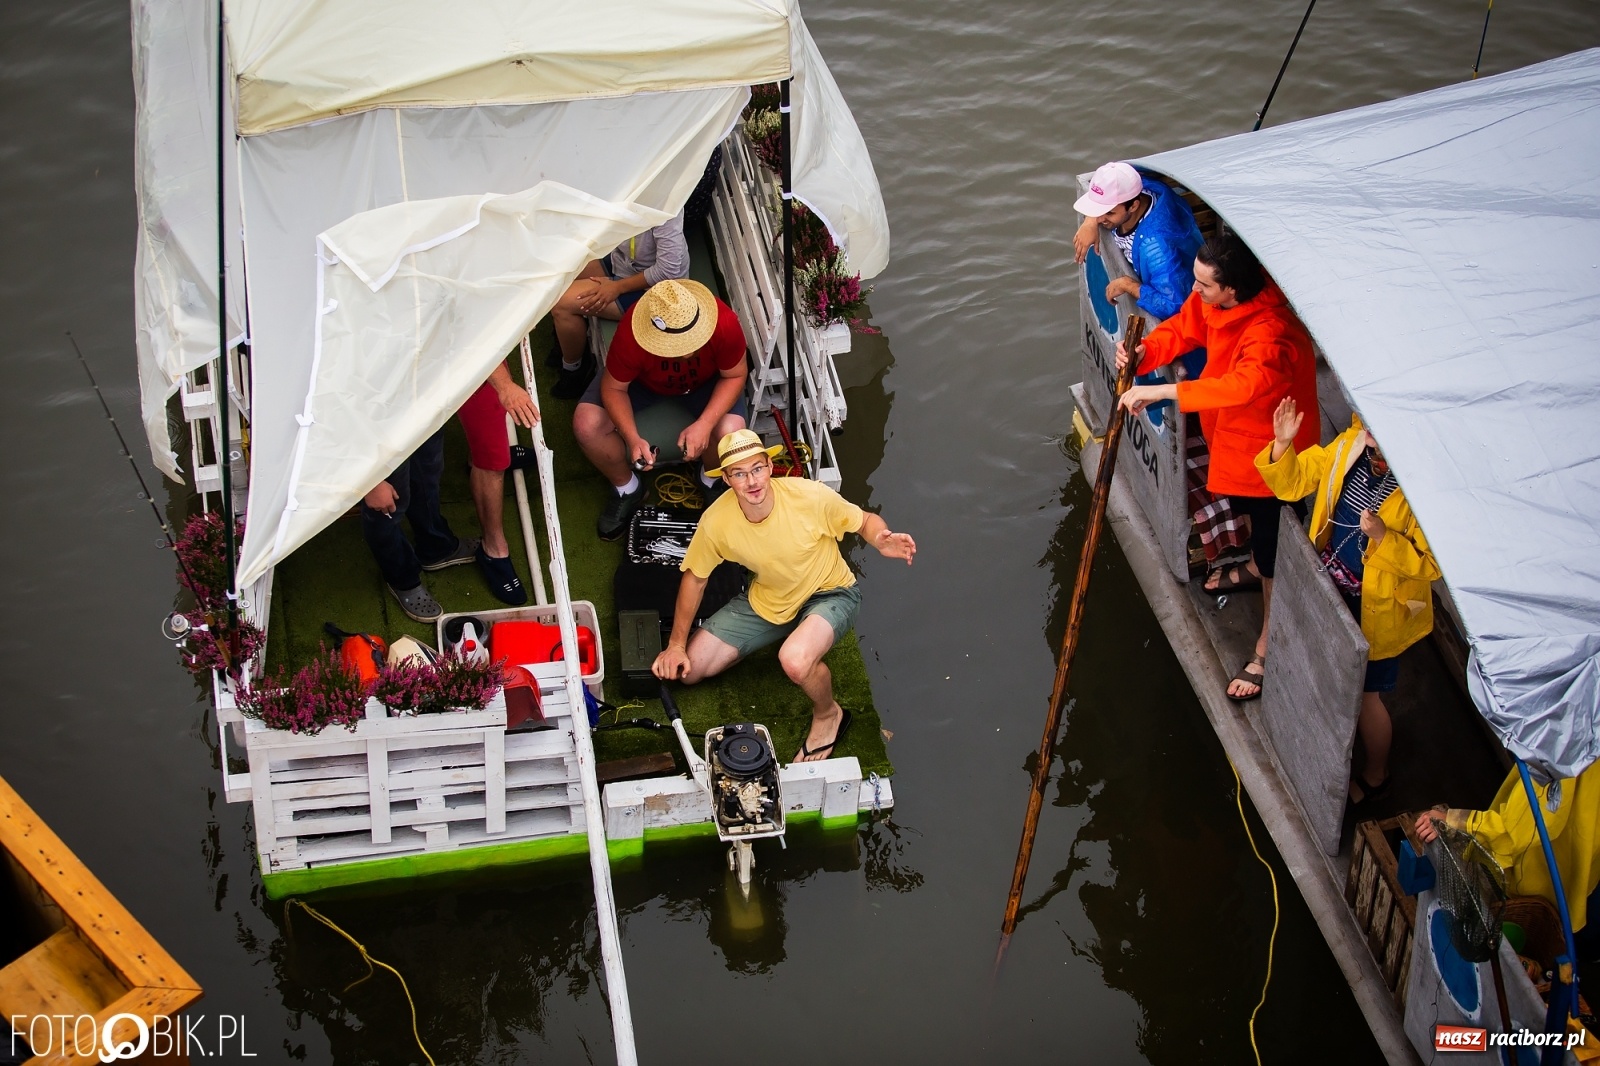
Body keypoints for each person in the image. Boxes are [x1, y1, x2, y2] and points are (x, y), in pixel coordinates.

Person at [1116, 233, 1319, 701]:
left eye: (1204, 284)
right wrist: (1148, 351)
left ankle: (1268, 639)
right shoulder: (1211, 301)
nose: (1195, 290)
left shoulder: (1271, 331)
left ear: (1232, 290)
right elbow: (1184, 326)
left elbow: (1242, 385)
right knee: (1250, 519)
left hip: (1273, 458)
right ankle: (1252, 565)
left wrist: (1163, 391)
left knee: (1274, 542)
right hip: (1231, 439)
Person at [652, 430, 917, 762]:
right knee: (690, 671)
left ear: (769, 466)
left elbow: (864, 520)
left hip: (830, 592)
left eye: (757, 468)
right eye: (739, 473)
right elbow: (695, 579)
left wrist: (880, 538)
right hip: (769, 599)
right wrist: (676, 644)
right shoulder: (716, 521)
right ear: (727, 479)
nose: (752, 481)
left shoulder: (810, 497)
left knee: (794, 660)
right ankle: (775, 638)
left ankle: (829, 714)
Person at [1256, 398, 1439, 804]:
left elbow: (1431, 565)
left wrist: (1382, 538)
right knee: (1324, 675)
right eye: (1371, 428)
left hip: (1377, 609)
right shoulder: (1351, 444)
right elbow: (1294, 482)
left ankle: (1378, 774)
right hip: (1331, 588)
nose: (1371, 438)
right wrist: (1282, 445)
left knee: (1368, 699)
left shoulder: (1424, 489)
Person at [574, 279, 749, 540]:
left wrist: (705, 423)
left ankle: (710, 480)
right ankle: (627, 488)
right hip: (643, 385)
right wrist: (631, 437)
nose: (683, 352)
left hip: (706, 384)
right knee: (586, 424)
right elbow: (614, 388)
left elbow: (735, 375)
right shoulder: (631, 331)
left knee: (731, 433)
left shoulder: (724, 322)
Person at [1417, 760, 1600, 951]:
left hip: (1550, 863)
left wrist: (1454, 823)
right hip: (1588, 851)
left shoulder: (1562, 744)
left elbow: (1519, 828)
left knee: (1557, 930)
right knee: (1583, 900)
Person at [548, 212, 689, 399]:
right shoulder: (630, 189)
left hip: (657, 292)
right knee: (563, 270)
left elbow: (668, 270)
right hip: (626, 264)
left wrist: (616, 287)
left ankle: (574, 371)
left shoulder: (669, 207)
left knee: (561, 304)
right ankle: (566, 341)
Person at [360, 428, 479, 623]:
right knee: (386, 511)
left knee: (426, 474)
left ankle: (436, 546)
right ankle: (403, 578)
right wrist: (370, 480)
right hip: (379, 433)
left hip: (421, 409)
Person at [1071, 160, 1205, 323]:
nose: (1101, 218)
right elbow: (1104, 192)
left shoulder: (1157, 250)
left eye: (1109, 213)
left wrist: (1129, 285)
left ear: (1133, 206)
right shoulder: (1139, 185)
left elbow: (1174, 305)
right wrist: (1090, 221)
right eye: (1098, 210)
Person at [453, 357, 538, 605]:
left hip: (480, 353)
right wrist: (504, 386)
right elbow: (468, 338)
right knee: (492, 464)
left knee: (491, 446)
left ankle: (482, 452)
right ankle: (492, 549)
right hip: (464, 359)